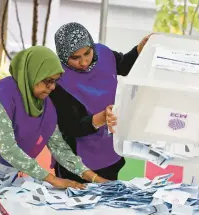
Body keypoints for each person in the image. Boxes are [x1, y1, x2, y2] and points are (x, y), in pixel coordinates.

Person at [0, 46, 109, 188]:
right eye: (48, 80)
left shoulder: (45, 106)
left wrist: (94, 177)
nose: (52, 87)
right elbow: (8, 149)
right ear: (32, 74)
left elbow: (59, 148)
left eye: (55, 81)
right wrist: (53, 180)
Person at [50, 22, 151, 183]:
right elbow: (70, 126)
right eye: (75, 58)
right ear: (62, 55)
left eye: (87, 53)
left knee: (107, 204)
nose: (84, 62)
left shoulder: (103, 53)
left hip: (109, 150)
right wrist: (102, 117)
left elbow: (123, 65)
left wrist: (140, 49)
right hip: (76, 162)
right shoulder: (58, 79)